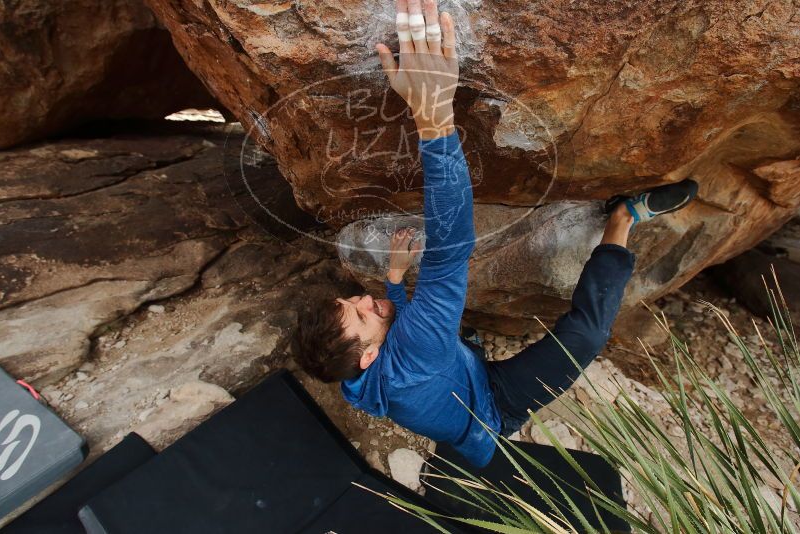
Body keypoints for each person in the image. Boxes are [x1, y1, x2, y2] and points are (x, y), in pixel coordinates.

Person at [292, 0, 698, 467]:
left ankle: (466, 350)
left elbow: (400, 342)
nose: (362, 301)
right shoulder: (414, 355)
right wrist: (433, 118)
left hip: (456, 372)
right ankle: (622, 218)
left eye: (351, 302)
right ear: (369, 355)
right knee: (586, 336)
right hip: (495, 406)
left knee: (440, 341)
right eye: (362, 315)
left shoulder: (353, 377)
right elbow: (449, 252)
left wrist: (393, 284)